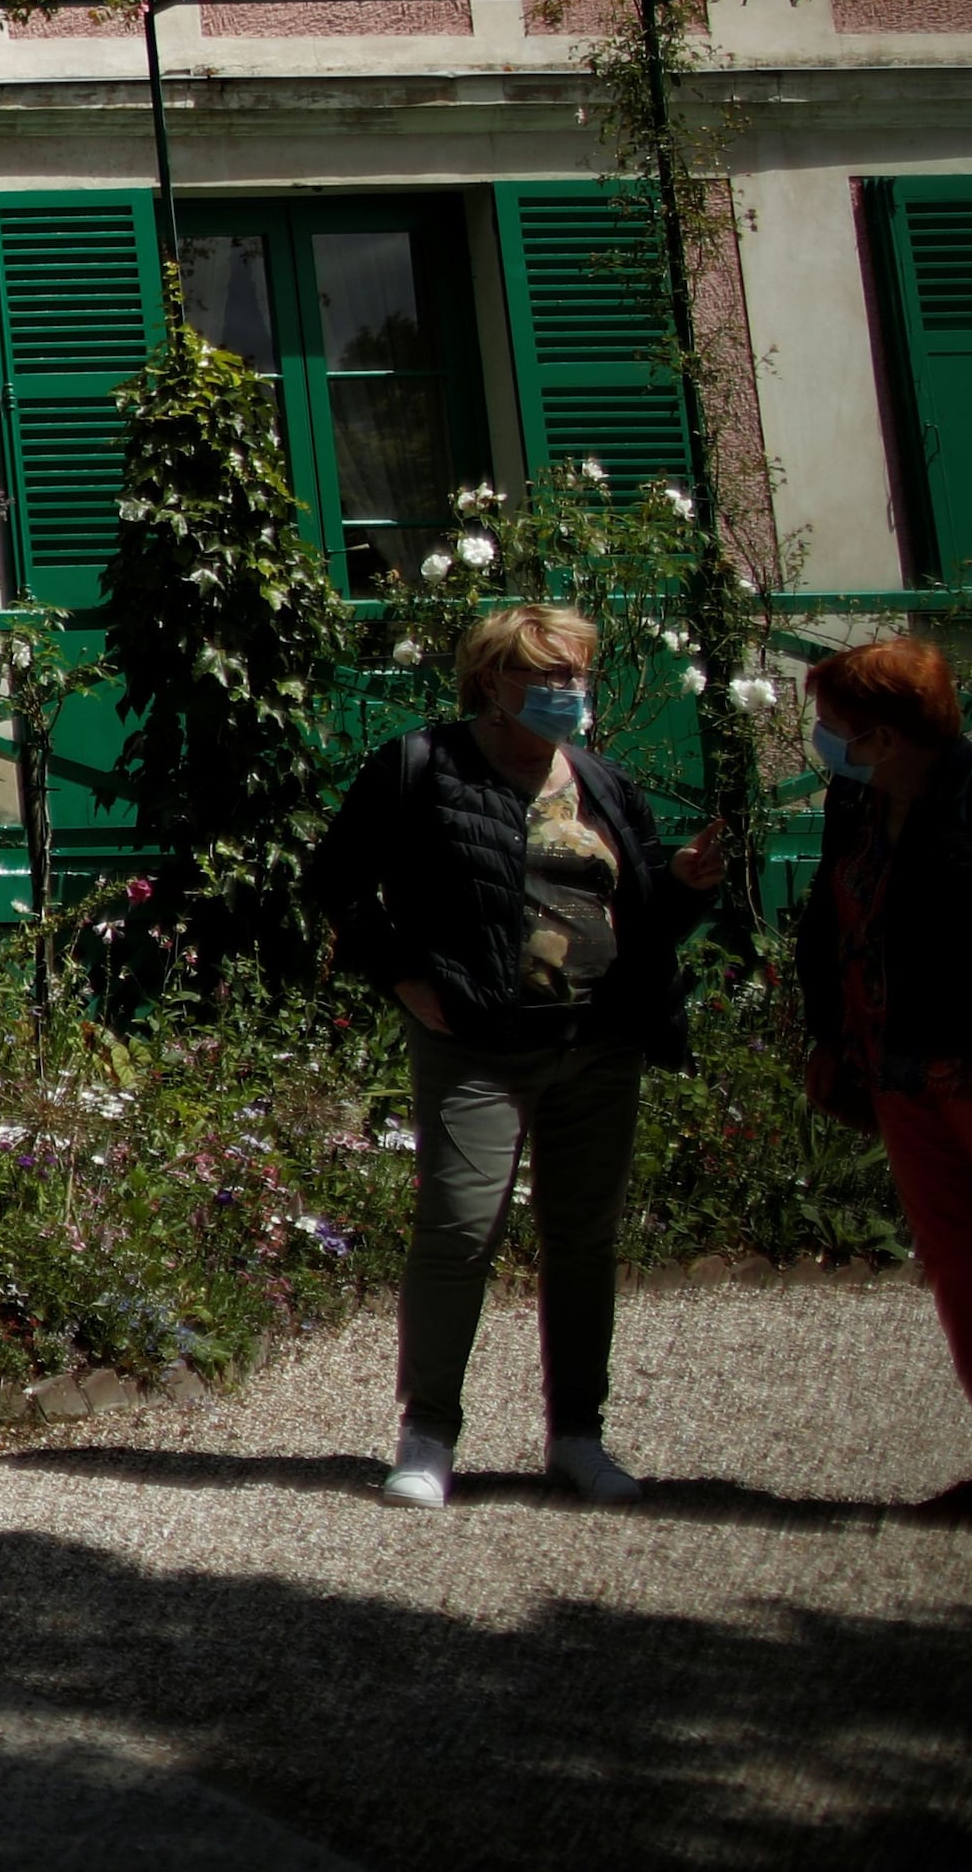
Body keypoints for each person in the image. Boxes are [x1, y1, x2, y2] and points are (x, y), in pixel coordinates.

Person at [310, 604, 729, 1510]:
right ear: (491, 680)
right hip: (479, 1046)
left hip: (599, 1041)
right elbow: (338, 880)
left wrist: (685, 891)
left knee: (583, 1242)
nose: (565, 693)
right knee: (459, 1231)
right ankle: (427, 1435)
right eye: (545, 677)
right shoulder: (422, 766)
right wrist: (402, 978)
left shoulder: (603, 783)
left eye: (576, 675)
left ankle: (578, 1437)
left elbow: (646, 919)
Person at [792, 636, 972, 1535]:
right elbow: (827, 920)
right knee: (963, 1270)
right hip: (897, 1069)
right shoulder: (854, 804)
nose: (824, 740)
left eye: (835, 728)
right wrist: (829, 1034)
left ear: (886, 734)